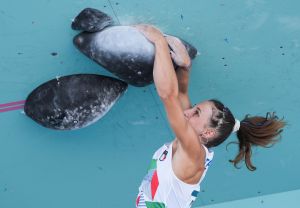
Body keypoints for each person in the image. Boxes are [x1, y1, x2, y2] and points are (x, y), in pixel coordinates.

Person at [134, 25, 285, 208]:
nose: (187, 112)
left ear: (208, 133)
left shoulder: (192, 152)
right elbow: (180, 93)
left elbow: (168, 96)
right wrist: (185, 66)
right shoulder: (195, 138)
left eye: (196, 112)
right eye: (195, 108)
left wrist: (159, 41)